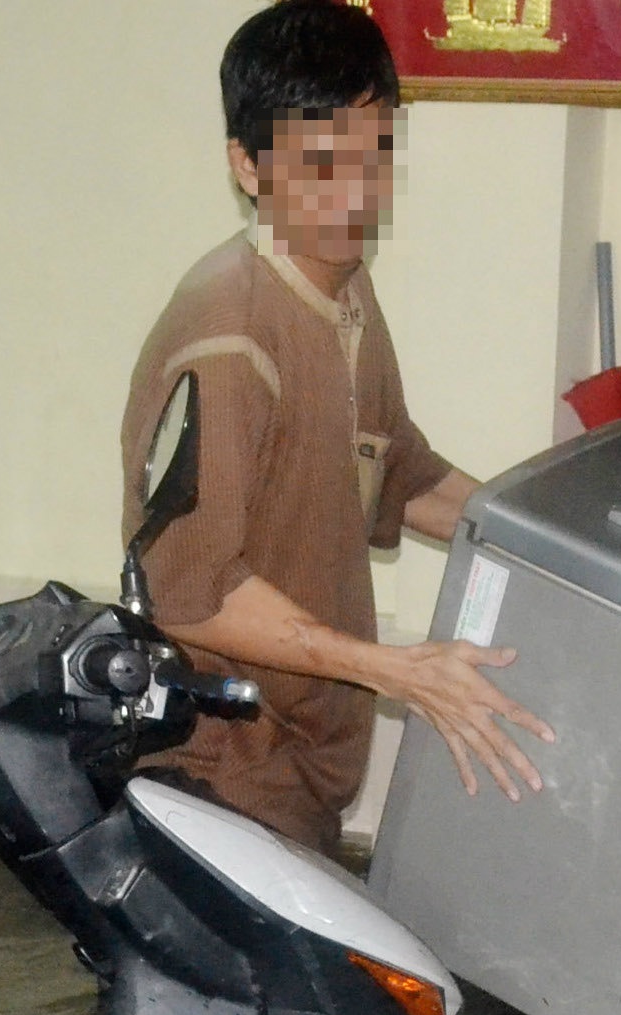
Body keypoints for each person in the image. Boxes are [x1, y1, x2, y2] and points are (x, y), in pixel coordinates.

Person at [118, 0, 551, 855]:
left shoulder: (342, 288)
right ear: (247, 165)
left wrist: (549, 540)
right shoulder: (232, 339)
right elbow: (189, 592)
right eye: (321, 165)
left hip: (301, 780)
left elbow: (399, 472)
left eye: (376, 153)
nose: (357, 194)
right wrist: (397, 670)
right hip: (216, 780)